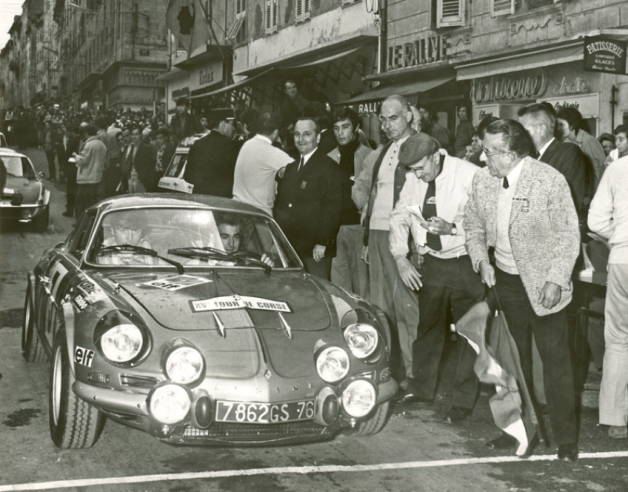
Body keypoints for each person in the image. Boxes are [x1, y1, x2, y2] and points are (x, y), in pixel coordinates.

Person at [464, 119, 580, 462]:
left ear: (510, 154)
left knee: (555, 363)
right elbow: (472, 224)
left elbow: (568, 234)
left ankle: (566, 439)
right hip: (504, 282)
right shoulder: (483, 179)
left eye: (488, 151)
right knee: (509, 362)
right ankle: (514, 431)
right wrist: (480, 260)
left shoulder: (548, 180)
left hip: (544, 285)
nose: (482, 157)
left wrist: (556, 279)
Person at [390, 132, 482, 422]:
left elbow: (487, 222)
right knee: (428, 329)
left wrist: (454, 229)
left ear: (435, 155)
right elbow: (399, 215)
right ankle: (421, 389)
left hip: (466, 262)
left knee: (469, 334)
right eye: (413, 170)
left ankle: (463, 400)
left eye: (421, 168)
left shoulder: (469, 175)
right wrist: (399, 257)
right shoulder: (414, 177)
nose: (418, 175)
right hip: (433, 262)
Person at [352, 94, 420, 388]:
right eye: (383, 119)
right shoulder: (380, 152)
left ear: (409, 115)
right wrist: (367, 229)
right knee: (379, 306)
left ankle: (414, 374)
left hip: (404, 239)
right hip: (377, 236)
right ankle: (386, 369)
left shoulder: (423, 146)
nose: (387, 124)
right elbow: (364, 191)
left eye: (394, 118)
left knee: (407, 307)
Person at [588, 153, 628, 440]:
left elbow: (596, 220)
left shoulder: (617, 167)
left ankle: (615, 418)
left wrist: (621, 235)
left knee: (618, 339)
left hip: (622, 259)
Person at [274, 117, 343, 280]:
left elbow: (333, 208)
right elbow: (281, 205)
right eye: (297, 134)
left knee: (316, 293)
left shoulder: (328, 167)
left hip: (315, 250)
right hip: (291, 247)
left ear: (317, 137)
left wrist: (323, 242)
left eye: (306, 134)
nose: (300, 139)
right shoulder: (291, 168)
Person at [327, 107, 371, 299]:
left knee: (364, 287)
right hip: (336, 230)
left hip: (359, 229)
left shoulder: (370, 156)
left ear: (356, 128)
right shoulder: (329, 158)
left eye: (345, 127)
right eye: (336, 128)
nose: (340, 132)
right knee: (339, 288)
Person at [518, 103, 589, 214]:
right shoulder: (528, 157)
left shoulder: (569, 152)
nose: (520, 137)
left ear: (541, 129)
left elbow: (569, 203)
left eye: (524, 131)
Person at [232, 113, 292, 216]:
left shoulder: (247, 144)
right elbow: (300, 168)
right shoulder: (270, 151)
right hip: (258, 212)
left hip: (238, 207)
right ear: (276, 132)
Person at [183, 109, 238, 197]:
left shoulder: (198, 144)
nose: (234, 128)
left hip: (200, 199)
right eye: (231, 124)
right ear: (223, 124)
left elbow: (188, 176)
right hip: (222, 201)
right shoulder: (230, 146)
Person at [555, 106, 606, 190]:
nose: (558, 128)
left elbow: (598, 171)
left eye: (562, 125)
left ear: (572, 125)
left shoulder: (588, 141)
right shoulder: (564, 142)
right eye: (558, 125)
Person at [74, 124, 107, 218]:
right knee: (92, 201)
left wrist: (76, 157)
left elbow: (83, 161)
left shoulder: (89, 145)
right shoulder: (101, 144)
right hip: (97, 177)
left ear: (86, 133)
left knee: (81, 202)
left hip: (86, 177)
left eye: (83, 135)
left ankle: (82, 222)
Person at [119, 125, 155, 193]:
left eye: (136, 134)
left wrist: (141, 178)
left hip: (140, 180)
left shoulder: (146, 148)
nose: (134, 137)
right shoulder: (131, 147)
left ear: (140, 135)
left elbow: (150, 165)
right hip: (131, 178)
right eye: (132, 134)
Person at [95, 117, 122, 198]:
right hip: (114, 157)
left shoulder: (103, 134)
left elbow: (103, 150)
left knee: (104, 182)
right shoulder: (117, 131)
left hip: (106, 160)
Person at [58, 125, 81, 217]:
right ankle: (76, 211)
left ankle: (70, 210)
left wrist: (63, 168)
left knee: (71, 190)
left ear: (72, 132)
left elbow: (67, 155)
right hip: (78, 166)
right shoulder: (81, 140)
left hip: (71, 167)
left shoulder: (71, 141)